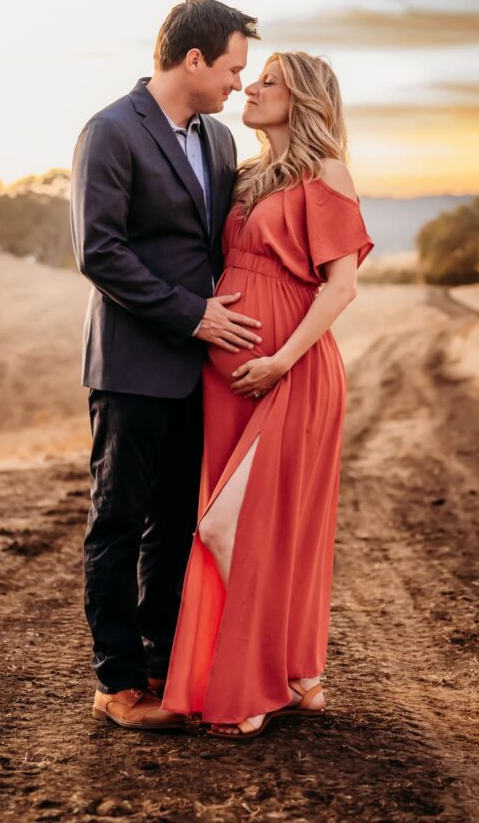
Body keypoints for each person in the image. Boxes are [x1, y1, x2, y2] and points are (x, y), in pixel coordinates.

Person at [162, 51, 375, 738]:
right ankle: (294, 668)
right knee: (233, 521)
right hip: (225, 376)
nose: (248, 87)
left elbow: (339, 287)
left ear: (304, 98)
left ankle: (253, 684)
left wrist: (281, 360)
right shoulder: (245, 176)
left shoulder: (326, 173)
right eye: (249, 78)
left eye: (267, 81)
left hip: (292, 367)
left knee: (242, 524)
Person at [70, 0, 262, 731]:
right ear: (192, 60)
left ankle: (161, 667)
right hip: (130, 367)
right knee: (117, 523)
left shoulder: (215, 141)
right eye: (231, 68)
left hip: (196, 373)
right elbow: (99, 250)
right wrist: (191, 314)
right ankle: (117, 686)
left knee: (176, 526)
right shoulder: (112, 131)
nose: (237, 85)